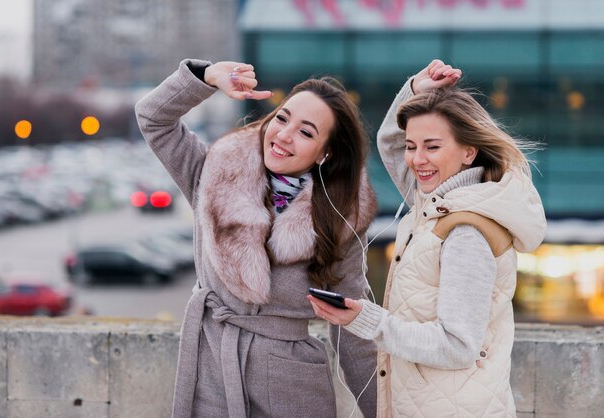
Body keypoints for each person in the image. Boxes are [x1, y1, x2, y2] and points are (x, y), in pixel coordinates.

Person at [135, 59, 378, 418]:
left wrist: (380, 409)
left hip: (293, 389)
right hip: (212, 372)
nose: (283, 135)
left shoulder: (340, 220)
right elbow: (153, 117)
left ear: (326, 153)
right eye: (282, 118)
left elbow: (352, 330)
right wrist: (208, 77)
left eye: (306, 132)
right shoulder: (215, 175)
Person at [309, 59, 547, 417]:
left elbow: (457, 345)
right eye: (412, 146)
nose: (417, 159)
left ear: (469, 152)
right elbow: (389, 142)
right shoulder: (436, 201)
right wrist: (415, 91)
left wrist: (370, 321)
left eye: (432, 147)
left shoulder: (466, 232)